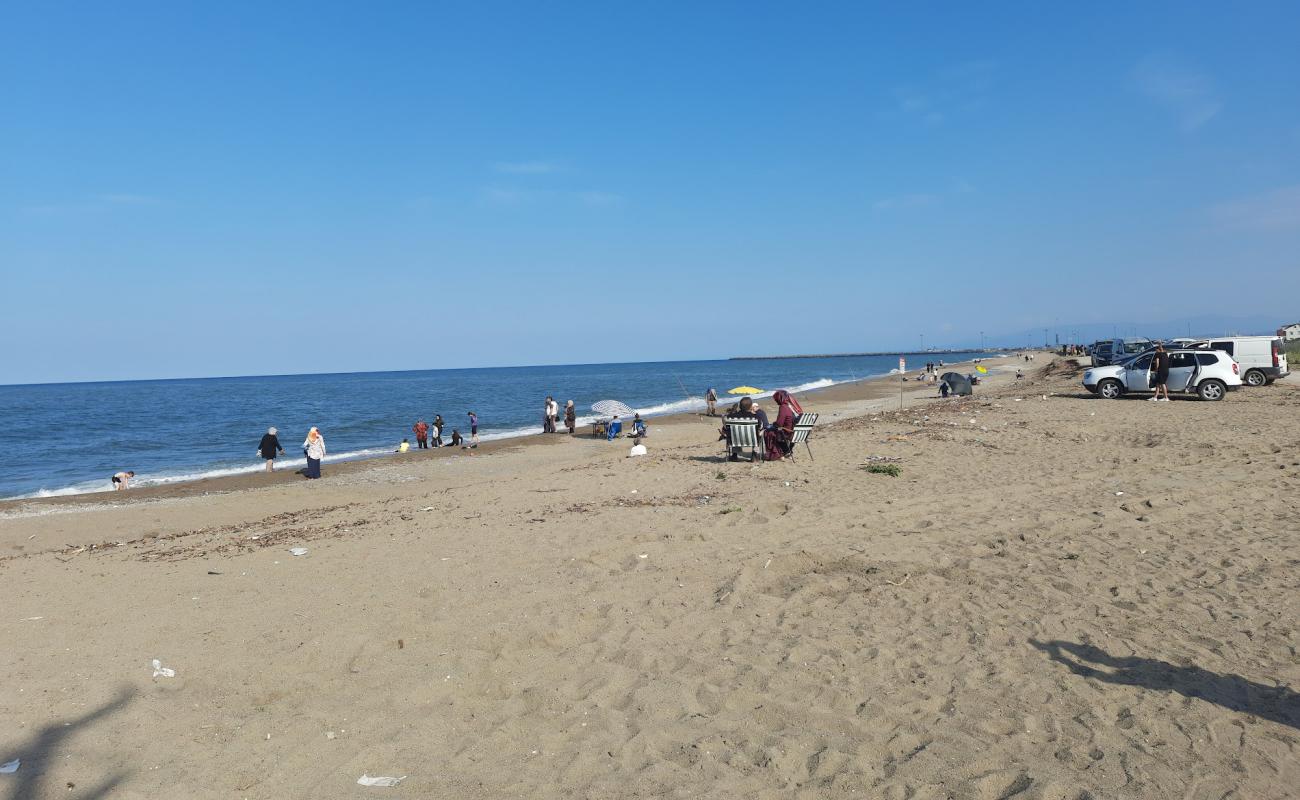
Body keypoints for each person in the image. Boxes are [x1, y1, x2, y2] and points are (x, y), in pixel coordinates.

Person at [765, 390, 801, 460]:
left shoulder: (783, 407)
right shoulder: (790, 406)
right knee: (773, 429)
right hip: (794, 431)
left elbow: (779, 423)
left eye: (776, 399)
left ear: (779, 398)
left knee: (768, 432)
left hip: (787, 432)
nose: (776, 401)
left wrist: (773, 424)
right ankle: (787, 451)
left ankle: (783, 452)